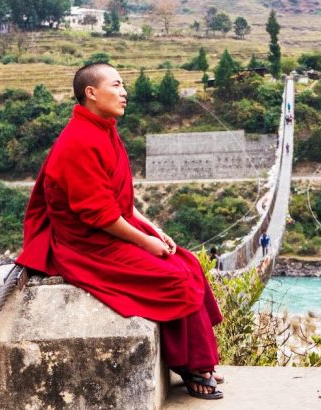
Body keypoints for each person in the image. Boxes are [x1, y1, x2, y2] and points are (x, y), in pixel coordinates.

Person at [16, 62, 224, 400]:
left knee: (187, 263)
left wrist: (152, 228)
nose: (124, 92)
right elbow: (99, 214)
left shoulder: (103, 129)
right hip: (86, 246)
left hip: (107, 231)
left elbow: (119, 200)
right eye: (116, 85)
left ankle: (198, 359)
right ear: (92, 93)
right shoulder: (79, 142)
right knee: (174, 279)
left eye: (123, 84)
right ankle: (188, 365)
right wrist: (145, 242)